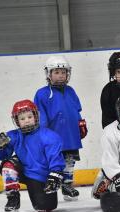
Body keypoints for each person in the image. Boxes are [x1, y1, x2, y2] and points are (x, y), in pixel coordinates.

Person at [0, 100, 65, 212]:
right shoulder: (13, 136)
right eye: (22, 119)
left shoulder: (49, 136)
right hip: (24, 171)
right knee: (8, 166)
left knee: (44, 208)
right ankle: (13, 197)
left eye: (30, 116)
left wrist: (55, 174)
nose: (27, 121)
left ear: (36, 116)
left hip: (40, 176)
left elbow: (55, 158)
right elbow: (3, 156)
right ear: (17, 121)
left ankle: (41, 196)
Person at [34, 55, 88, 201]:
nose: (60, 76)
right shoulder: (42, 94)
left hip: (70, 133)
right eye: (56, 72)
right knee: (56, 161)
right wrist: (44, 135)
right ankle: (51, 185)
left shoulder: (71, 91)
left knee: (70, 160)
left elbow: (76, 109)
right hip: (54, 135)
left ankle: (67, 185)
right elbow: (41, 116)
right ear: (49, 74)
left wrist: (80, 123)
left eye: (63, 72)